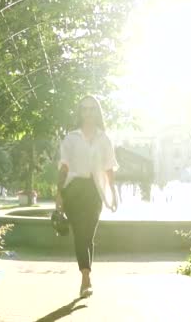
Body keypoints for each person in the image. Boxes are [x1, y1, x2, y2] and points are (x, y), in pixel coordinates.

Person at [55, 95, 119, 298]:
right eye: (85, 109)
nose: (88, 113)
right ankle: (86, 278)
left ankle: (85, 275)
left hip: (95, 190)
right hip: (73, 189)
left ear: (97, 112)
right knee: (80, 234)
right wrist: (59, 194)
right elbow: (64, 166)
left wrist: (113, 192)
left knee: (88, 235)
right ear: (80, 112)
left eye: (92, 109)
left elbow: (109, 167)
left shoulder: (104, 138)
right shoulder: (71, 137)